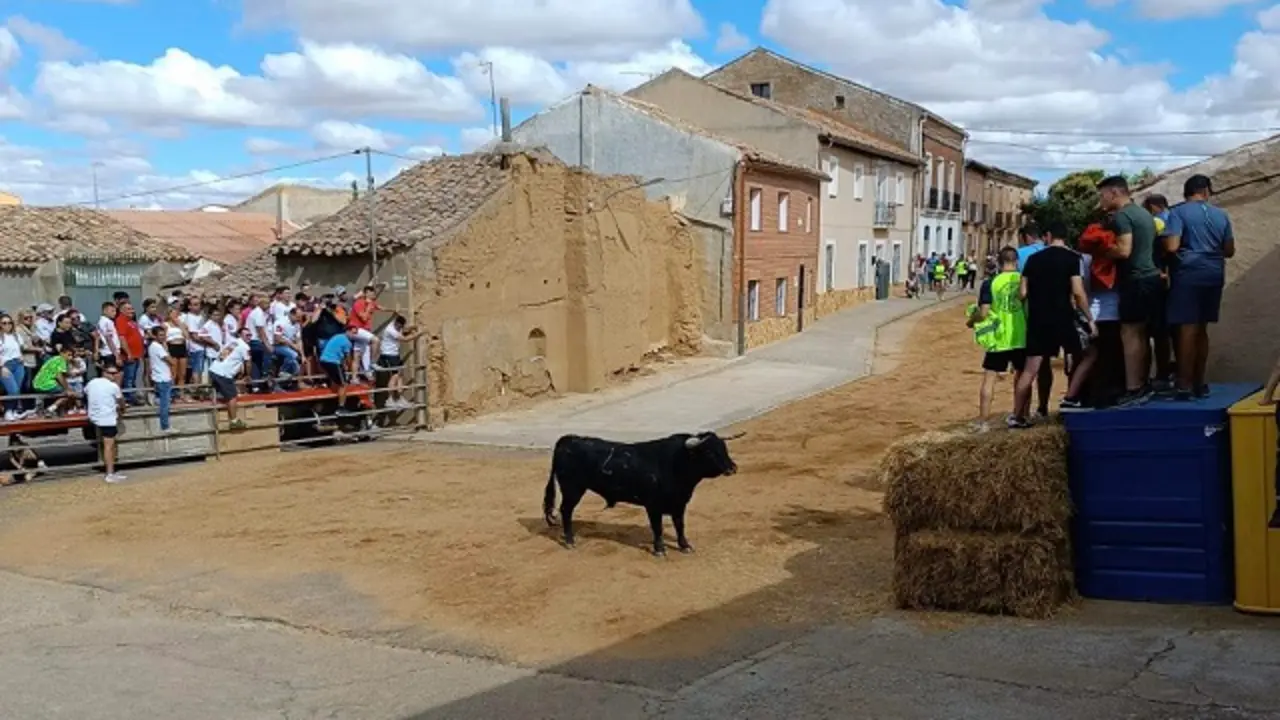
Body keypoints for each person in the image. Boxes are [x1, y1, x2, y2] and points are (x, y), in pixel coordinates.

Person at [1012, 224, 1096, 425]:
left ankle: (1017, 416)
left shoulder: (1033, 259)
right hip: (1063, 316)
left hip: (1038, 319)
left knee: (1030, 369)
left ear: (1048, 236)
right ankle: (1071, 398)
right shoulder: (1072, 258)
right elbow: (1077, 291)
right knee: (1082, 356)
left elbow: (1022, 293)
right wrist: (1089, 318)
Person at [1163, 174, 1234, 400]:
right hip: (1214, 273)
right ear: (1205, 191)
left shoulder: (1178, 212)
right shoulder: (1221, 215)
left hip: (1188, 274)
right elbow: (1230, 250)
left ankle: (1184, 384)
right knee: (1202, 329)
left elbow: (1173, 246)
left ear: (1188, 192)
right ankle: (1200, 382)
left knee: (1186, 328)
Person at [1098, 175, 1161, 406]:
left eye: (1102, 195)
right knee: (1143, 333)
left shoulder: (1123, 216)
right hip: (1151, 278)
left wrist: (1101, 251)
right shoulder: (1144, 214)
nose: (1101, 200)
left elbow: (1124, 250)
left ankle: (1134, 387)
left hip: (1135, 280)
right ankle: (1144, 384)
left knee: (1130, 333)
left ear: (1114, 192)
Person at [966, 246, 1026, 432]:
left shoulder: (990, 283)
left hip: (999, 338)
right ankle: (1020, 416)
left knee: (989, 379)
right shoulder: (1023, 281)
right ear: (1016, 261)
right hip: (1020, 335)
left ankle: (983, 421)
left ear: (999, 263)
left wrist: (971, 321)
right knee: (1023, 378)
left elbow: (983, 314)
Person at [1142, 193, 1178, 394]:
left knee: (1154, 332)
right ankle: (1169, 372)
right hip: (1172, 283)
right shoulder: (1174, 218)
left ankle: (1160, 374)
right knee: (1168, 333)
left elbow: (1164, 250)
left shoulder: (1159, 222)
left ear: (1153, 207)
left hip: (1157, 281)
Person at [86, 363, 127, 483]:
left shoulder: (92, 383)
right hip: (107, 418)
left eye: (115, 373)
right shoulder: (113, 386)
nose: (113, 375)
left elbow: (86, 392)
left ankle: (111, 471)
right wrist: (123, 409)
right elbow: (121, 402)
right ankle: (109, 473)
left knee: (108, 445)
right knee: (109, 446)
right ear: (104, 373)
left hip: (95, 416)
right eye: (111, 373)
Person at [208, 327, 253, 431]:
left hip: (214, 369)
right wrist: (248, 375)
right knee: (232, 396)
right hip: (223, 373)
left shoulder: (232, 342)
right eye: (246, 335)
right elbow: (248, 363)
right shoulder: (245, 347)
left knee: (222, 392)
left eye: (250, 335)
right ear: (240, 335)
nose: (249, 337)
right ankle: (234, 421)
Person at [379, 314, 421, 410]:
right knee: (394, 376)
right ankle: (390, 400)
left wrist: (413, 327)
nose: (401, 328)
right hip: (389, 355)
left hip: (395, 355)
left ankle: (399, 398)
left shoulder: (396, 325)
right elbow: (405, 339)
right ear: (396, 323)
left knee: (400, 375)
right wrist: (418, 334)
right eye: (400, 326)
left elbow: (405, 329)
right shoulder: (391, 330)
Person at [319, 326, 359, 413]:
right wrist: (350, 369)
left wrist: (343, 365)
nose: (354, 335)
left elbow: (337, 351)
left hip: (323, 360)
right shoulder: (347, 342)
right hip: (332, 362)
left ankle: (331, 403)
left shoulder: (337, 336)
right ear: (347, 331)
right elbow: (348, 358)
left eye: (355, 333)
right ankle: (341, 408)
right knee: (343, 384)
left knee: (336, 382)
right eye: (353, 332)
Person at [1, 314, 32, 421]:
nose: (7, 325)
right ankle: (8, 411)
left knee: (17, 390)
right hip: (5, 365)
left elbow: (21, 348)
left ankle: (13, 411)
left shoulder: (16, 336)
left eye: (9, 323)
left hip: (18, 364)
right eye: (4, 323)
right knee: (12, 389)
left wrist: (21, 357)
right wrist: (1, 367)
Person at [114, 301, 145, 406]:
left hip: (137, 355)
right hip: (129, 355)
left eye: (132, 309)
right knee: (128, 378)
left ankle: (132, 396)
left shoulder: (131, 321)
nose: (132, 311)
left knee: (133, 378)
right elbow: (122, 338)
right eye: (128, 309)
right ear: (122, 310)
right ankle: (128, 398)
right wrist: (128, 353)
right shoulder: (121, 320)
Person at [350, 283, 383, 376]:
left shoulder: (372, 303)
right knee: (376, 340)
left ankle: (355, 377)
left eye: (373, 293)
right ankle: (373, 364)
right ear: (366, 293)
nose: (373, 295)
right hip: (357, 330)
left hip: (363, 333)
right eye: (371, 293)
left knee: (358, 355)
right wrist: (368, 308)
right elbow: (363, 318)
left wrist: (394, 310)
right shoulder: (358, 303)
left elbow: (381, 308)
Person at [33, 344, 76, 416]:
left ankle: (56, 411)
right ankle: (50, 410)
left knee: (66, 392)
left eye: (72, 356)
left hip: (37, 383)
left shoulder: (54, 359)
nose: (70, 358)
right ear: (62, 353)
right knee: (68, 394)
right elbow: (59, 376)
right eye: (68, 355)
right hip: (45, 383)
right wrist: (67, 389)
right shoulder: (61, 360)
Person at [147, 326, 176, 434]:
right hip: (163, 379)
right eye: (160, 335)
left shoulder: (153, 346)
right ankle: (165, 426)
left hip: (159, 377)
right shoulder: (157, 347)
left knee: (162, 401)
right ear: (154, 336)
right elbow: (171, 361)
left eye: (164, 335)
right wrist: (166, 347)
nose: (163, 337)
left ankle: (153, 397)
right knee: (165, 404)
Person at [164, 307, 190, 403]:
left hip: (182, 346)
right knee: (173, 373)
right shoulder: (165, 325)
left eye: (176, 313)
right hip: (172, 346)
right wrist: (166, 350)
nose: (175, 315)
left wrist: (180, 325)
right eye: (173, 313)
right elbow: (164, 339)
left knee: (182, 374)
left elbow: (187, 336)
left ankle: (181, 394)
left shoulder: (181, 324)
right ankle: (172, 394)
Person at [272, 306, 305, 382]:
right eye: (297, 317)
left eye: (300, 317)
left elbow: (299, 340)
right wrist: (293, 345)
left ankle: (289, 380)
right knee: (294, 355)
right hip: (279, 346)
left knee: (299, 361)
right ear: (291, 314)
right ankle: (282, 371)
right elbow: (277, 338)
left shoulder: (297, 324)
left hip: (290, 347)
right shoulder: (280, 322)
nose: (299, 319)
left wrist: (302, 354)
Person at [94, 301, 121, 371]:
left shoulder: (109, 321)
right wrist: (116, 355)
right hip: (109, 352)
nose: (114, 313)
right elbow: (108, 339)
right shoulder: (105, 322)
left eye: (115, 311)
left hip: (111, 352)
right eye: (112, 311)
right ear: (104, 311)